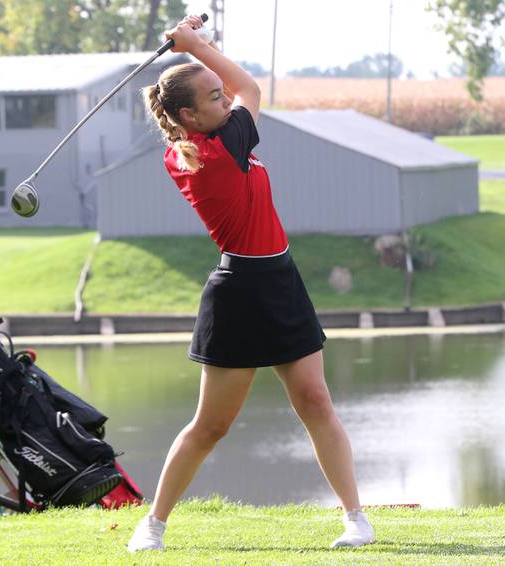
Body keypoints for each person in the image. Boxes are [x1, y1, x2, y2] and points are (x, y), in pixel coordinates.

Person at [126, 15, 375, 553]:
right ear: (190, 115)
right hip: (240, 291)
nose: (226, 102)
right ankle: (153, 524)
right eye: (214, 99)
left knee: (315, 400)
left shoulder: (210, 138)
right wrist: (196, 44)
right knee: (211, 426)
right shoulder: (213, 154)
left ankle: (356, 518)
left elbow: (234, 89)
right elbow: (251, 87)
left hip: (280, 278)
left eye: (222, 98)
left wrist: (196, 46)